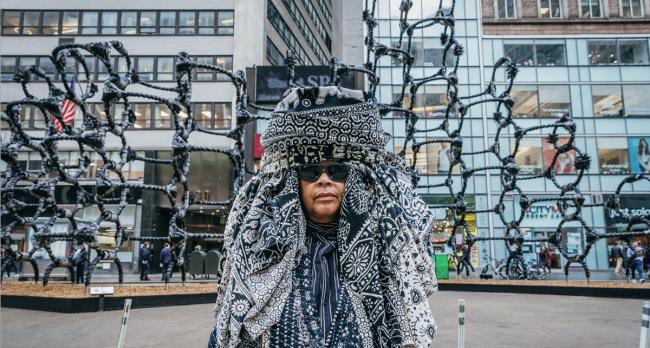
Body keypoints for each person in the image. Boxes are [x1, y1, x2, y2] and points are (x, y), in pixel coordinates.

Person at [209, 87, 438, 347]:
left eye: (337, 171)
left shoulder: (381, 259)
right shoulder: (263, 256)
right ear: (293, 181)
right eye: (311, 171)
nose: (325, 180)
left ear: (352, 179)